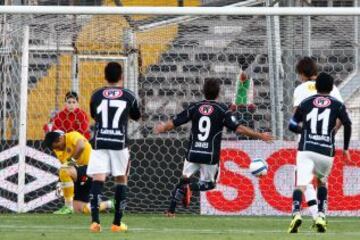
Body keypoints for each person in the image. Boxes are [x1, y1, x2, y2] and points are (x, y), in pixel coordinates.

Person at [154, 78, 273, 216]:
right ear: (218, 93)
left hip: (193, 151)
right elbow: (239, 128)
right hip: (209, 154)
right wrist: (260, 135)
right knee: (209, 184)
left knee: (184, 178)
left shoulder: (195, 107)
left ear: (203, 92)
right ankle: (190, 188)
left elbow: (175, 122)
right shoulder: (222, 109)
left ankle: (170, 211)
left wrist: (163, 128)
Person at [288, 72, 352, 233]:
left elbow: (292, 124)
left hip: (306, 148)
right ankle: (321, 215)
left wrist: (305, 131)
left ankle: (296, 213)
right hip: (326, 150)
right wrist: (345, 148)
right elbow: (348, 124)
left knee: (301, 184)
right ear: (331, 88)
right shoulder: (337, 104)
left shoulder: (306, 102)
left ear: (316, 87)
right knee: (322, 182)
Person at [87, 62, 141, 233]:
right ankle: (117, 223)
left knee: (98, 179)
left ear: (105, 76)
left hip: (100, 141)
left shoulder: (96, 95)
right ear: (121, 76)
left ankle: (95, 222)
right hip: (119, 142)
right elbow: (136, 116)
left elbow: (94, 115)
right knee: (121, 179)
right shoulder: (129, 96)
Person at [44, 130, 113, 214]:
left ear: (60, 138)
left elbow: (81, 146)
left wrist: (72, 161)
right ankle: (110, 204)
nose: (57, 149)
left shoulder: (72, 135)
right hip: (82, 179)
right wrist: (61, 183)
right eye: (54, 148)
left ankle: (68, 207)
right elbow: (66, 166)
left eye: (57, 146)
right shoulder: (58, 151)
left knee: (64, 170)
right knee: (82, 210)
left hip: (90, 170)